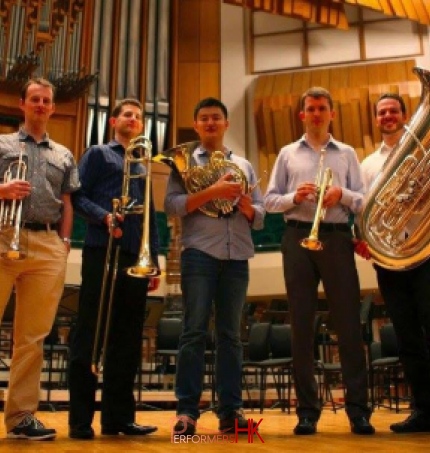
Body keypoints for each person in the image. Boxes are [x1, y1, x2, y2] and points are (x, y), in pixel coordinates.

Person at [264, 87, 374, 435]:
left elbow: (364, 199)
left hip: (338, 238)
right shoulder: (286, 154)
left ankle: (358, 410)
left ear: (332, 114)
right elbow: (268, 200)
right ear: (302, 115)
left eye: (322, 108)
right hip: (297, 236)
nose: (316, 114)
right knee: (301, 326)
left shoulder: (348, 154)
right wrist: (293, 197)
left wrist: (342, 194)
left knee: (348, 326)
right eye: (310, 109)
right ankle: (307, 411)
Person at [164, 97, 265, 435]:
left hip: (237, 255)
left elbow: (261, 215)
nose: (210, 123)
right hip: (199, 254)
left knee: (230, 337)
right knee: (193, 332)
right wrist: (213, 191)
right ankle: (186, 411)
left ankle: (230, 410)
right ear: (196, 125)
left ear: (226, 124)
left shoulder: (245, 165)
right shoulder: (184, 163)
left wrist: (249, 208)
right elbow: (173, 206)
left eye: (216, 118)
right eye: (204, 119)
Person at [68, 99, 160, 440]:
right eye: (127, 114)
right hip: (101, 250)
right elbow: (77, 196)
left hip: (136, 256)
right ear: (113, 122)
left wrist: (155, 261)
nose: (133, 119)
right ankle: (80, 420)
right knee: (90, 333)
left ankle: (118, 418)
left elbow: (149, 212)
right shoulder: (97, 153)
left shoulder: (143, 162)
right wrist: (105, 216)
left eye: (138, 116)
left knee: (128, 339)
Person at [0, 78, 79, 440]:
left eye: (47, 100)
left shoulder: (64, 154)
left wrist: (64, 242)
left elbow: (67, 202)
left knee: (32, 337)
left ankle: (19, 417)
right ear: (23, 104)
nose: (42, 104)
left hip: (48, 244)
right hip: (3, 236)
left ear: (52, 107)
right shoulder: (1, 144)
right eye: (35, 99)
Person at [360, 93, 430, 433]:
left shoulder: (424, 154)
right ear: (376, 119)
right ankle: (423, 410)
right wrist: (363, 239)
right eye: (382, 112)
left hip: (424, 255)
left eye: (394, 110)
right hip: (388, 261)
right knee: (407, 338)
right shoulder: (368, 165)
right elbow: (363, 211)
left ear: (405, 115)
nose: (388, 116)